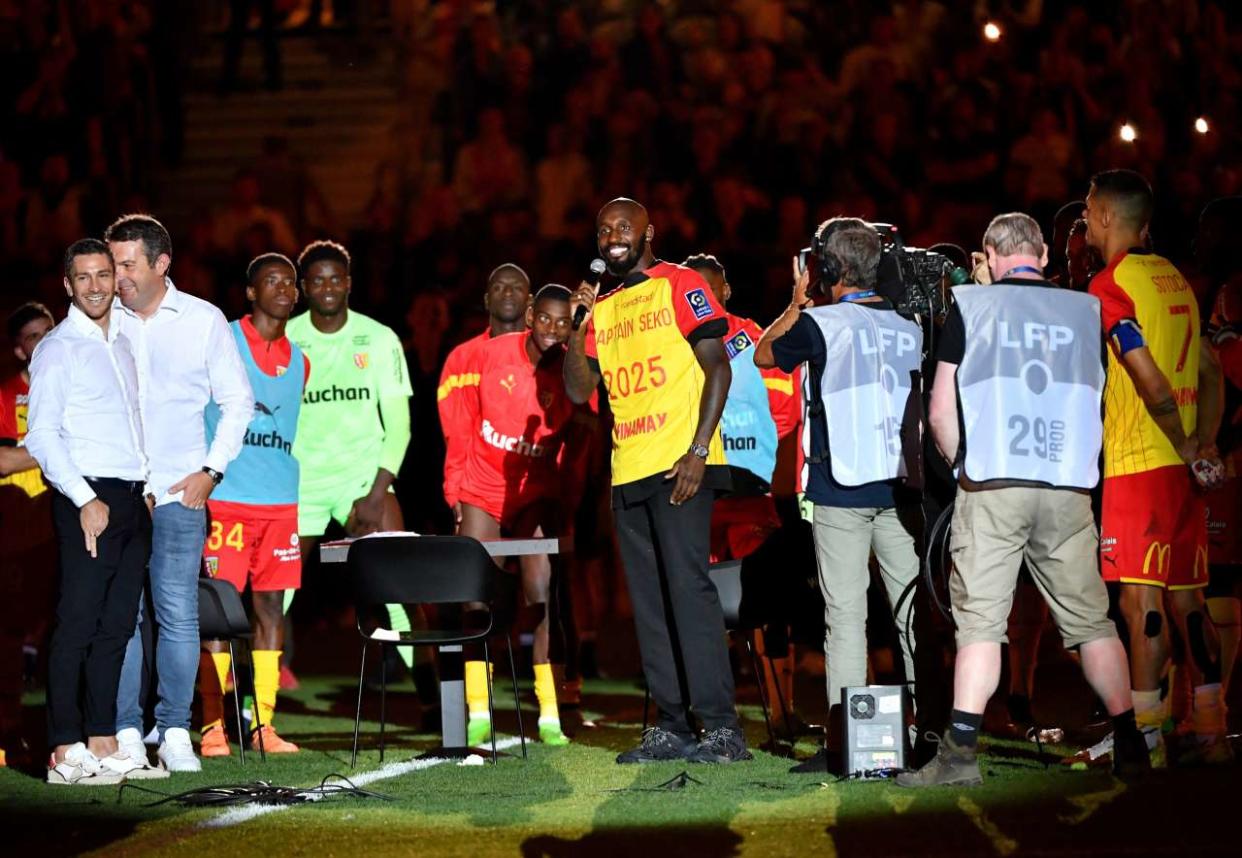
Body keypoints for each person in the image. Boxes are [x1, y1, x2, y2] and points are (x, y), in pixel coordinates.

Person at [896, 212, 1149, 787]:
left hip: (994, 483)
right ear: (1039, 249)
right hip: (1066, 485)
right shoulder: (1086, 307)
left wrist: (963, 464)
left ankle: (959, 756)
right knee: (1090, 623)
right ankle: (1131, 738)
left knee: (982, 624)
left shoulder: (971, 305)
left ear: (990, 251)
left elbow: (940, 410)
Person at [565, 197, 747, 764]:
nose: (612, 236)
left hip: (679, 465)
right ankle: (671, 725)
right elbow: (577, 390)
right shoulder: (605, 306)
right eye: (603, 230)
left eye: (624, 226)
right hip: (629, 469)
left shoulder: (680, 281)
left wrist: (698, 450)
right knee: (648, 604)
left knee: (689, 594)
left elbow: (718, 364)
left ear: (649, 232)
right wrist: (578, 327)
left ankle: (720, 729)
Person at [754, 218, 922, 774]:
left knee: (846, 618)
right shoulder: (911, 322)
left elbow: (763, 354)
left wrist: (797, 301)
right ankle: (921, 728)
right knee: (910, 612)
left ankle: (847, 742)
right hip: (902, 488)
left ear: (827, 269)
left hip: (842, 488)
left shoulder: (821, 323)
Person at [1082, 170, 1229, 765]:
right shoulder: (1177, 280)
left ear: (1108, 217)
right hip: (1183, 472)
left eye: (1090, 212)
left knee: (1139, 605)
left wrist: (1183, 439)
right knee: (1189, 602)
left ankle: (1146, 737)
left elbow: (1147, 376)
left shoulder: (1108, 286)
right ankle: (1212, 730)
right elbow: (1213, 373)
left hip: (1141, 464)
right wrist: (1204, 443)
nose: (1086, 222)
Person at [108, 214, 255, 774]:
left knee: (176, 615)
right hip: (119, 493)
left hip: (178, 493)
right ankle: (123, 730)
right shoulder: (103, 320)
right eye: (113, 262)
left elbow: (238, 402)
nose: (116, 276)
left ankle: (173, 729)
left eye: (127, 264)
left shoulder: (201, 320)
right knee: (121, 615)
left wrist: (210, 472)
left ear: (160, 263)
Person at [26, 239, 165, 784]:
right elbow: (42, 435)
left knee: (115, 629)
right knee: (78, 623)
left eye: (102, 274)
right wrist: (85, 499)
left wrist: (146, 489)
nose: (94, 285)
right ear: (67, 285)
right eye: (82, 277)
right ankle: (64, 748)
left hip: (131, 499)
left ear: (115, 277)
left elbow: (131, 422)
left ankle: (103, 739)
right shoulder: (59, 348)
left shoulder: (123, 342)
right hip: (89, 499)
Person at [451, 285, 589, 747]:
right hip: (484, 487)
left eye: (563, 323)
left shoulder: (574, 370)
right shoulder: (489, 355)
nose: (552, 330)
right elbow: (462, 423)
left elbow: (581, 440)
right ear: (530, 315)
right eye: (545, 319)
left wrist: (564, 501)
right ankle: (477, 710)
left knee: (540, 593)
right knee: (477, 597)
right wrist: (455, 491)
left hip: (536, 494)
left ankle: (548, 712)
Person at [197, 253, 308, 757]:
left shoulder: (301, 360)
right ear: (249, 291)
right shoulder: (225, 341)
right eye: (271, 280)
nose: (284, 288)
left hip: (281, 502)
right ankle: (213, 723)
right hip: (228, 501)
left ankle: (263, 724)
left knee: (270, 612)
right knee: (218, 614)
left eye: (290, 281)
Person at [684, 253, 802, 717]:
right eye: (696, 293)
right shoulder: (677, 342)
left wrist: (760, 455)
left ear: (726, 292)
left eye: (712, 290)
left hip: (751, 491)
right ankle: (709, 713)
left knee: (766, 604)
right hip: (698, 491)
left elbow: (787, 408)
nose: (705, 300)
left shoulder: (754, 339)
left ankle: (780, 709)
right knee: (702, 606)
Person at [287, 239, 412, 574]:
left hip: (362, 478)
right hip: (301, 485)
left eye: (336, 279)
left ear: (349, 283)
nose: (328, 287)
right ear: (303, 287)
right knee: (273, 601)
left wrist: (376, 493)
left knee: (400, 590)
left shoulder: (379, 338)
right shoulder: (286, 339)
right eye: (317, 280)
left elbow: (399, 428)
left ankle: (403, 629)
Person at [0, 302, 56, 763]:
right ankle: (10, 727)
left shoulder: (73, 390)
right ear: (20, 351)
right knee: (13, 630)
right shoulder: (5, 398)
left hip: (70, 522)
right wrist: (54, 443)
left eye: (49, 331)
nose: (44, 341)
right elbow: (3, 461)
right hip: (21, 531)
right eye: (34, 337)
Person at [439, 264, 532, 528]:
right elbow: (456, 433)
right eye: (499, 287)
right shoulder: (462, 358)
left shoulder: (548, 354)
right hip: (480, 489)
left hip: (535, 485)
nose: (507, 293)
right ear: (486, 299)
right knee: (476, 565)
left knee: (541, 567)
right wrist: (454, 490)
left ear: (530, 300)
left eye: (516, 287)